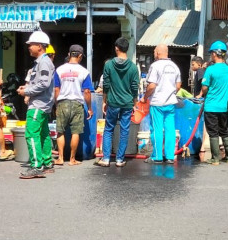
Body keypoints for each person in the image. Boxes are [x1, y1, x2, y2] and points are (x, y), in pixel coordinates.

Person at [17, 30, 56, 179]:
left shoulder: (44, 62)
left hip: (38, 104)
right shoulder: (42, 62)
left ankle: (36, 166)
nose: (28, 47)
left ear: (39, 46)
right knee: (44, 134)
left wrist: (27, 91)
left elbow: (43, 84)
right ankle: (47, 163)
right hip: (43, 104)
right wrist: (26, 88)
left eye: (31, 44)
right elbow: (39, 82)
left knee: (31, 133)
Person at [96, 37, 139, 167]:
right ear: (127, 49)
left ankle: (106, 159)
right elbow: (134, 87)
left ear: (116, 48)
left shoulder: (108, 65)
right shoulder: (133, 67)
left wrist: (105, 101)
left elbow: (106, 85)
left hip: (113, 102)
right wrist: (135, 103)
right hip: (127, 103)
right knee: (124, 130)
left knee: (109, 129)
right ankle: (120, 160)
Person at [54, 44, 94, 165]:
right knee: (75, 132)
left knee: (60, 131)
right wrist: (90, 108)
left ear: (69, 54)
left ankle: (60, 158)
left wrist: (57, 104)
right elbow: (87, 91)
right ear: (80, 56)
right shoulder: (84, 71)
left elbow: (56, 89)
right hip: (77, 103)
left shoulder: (59, 69)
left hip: (62, 103)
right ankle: (72, 159)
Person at [144, 43, 181, 163]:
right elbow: (178, 85)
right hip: (170, 103)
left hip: (157, 103)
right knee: (170, 129)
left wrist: (145, 97)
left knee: (156, 129)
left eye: (154, 51)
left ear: (158, 52)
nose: (154, 53)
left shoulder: (155, 66)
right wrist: (170, 93)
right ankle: (170, 157)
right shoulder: (174, 66)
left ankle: (157, 156)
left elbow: (152, 85)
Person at [200, 40, 228, 165]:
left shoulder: (210, 70)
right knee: (224, 131)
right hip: (223, 107)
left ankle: (215, 158)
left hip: (211, 107)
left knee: (213, 133)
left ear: (215, 54)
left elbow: (204, 88)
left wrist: (204, 92)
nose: (210, 56)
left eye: (211, 53)